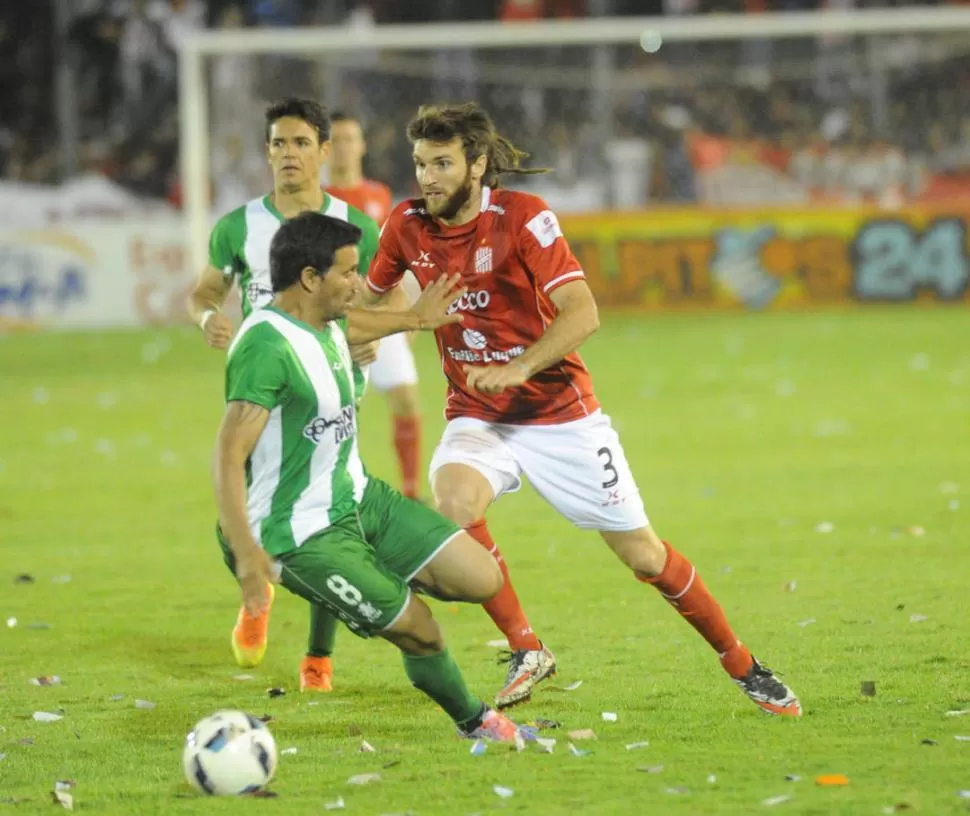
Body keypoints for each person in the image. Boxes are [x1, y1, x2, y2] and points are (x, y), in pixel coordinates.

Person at [363, 102, 802, 716]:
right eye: (419, 164)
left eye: (442, 163)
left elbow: (583, 312)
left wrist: (519, 366)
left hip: (559, 416)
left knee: (646, 557)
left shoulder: (524, 219)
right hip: (478, 411)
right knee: (456, 505)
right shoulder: (406, 225)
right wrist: (379, 326)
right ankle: (526, 647)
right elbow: (366, 302)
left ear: (478, 164)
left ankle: (742, 663)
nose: (427, 177)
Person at [214, 210, 523, 742]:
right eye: (348, 273)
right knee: (422, 633)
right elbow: (227, 454)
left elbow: (355, 324)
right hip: (297, 532)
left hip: (359, 499)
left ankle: (371, 582)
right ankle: (479, 723)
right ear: (310, 279)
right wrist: (246, 557)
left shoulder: (323, 320)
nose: (361, 284)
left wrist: (416, 320)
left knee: (481, 577)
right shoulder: (266, 347)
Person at [187, 98, 382, 693]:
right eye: (278, 144)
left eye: (300, 143)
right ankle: (255, 590)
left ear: (325, 151)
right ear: (267, 152)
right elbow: (204, 292)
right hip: (264, 388)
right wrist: (206, 321)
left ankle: (318, 657)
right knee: (235, 521)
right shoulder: (238, 226)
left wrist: (367, 339)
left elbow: (367, 302)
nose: (288, 154)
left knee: (328, 518)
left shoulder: (358, 226)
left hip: (329, 383)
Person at [326, 112, 424, 502]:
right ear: (325, 149)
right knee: (337, 410)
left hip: (381, 314)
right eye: (337, 139)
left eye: (351, 138)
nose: (345, 147)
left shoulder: (379, 196)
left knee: (406, 398)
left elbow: (394, 259)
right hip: (338, 320)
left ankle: (413, 491)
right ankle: (335, 491)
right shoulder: (316, 200)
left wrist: (405, 318)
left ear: (363, 145)